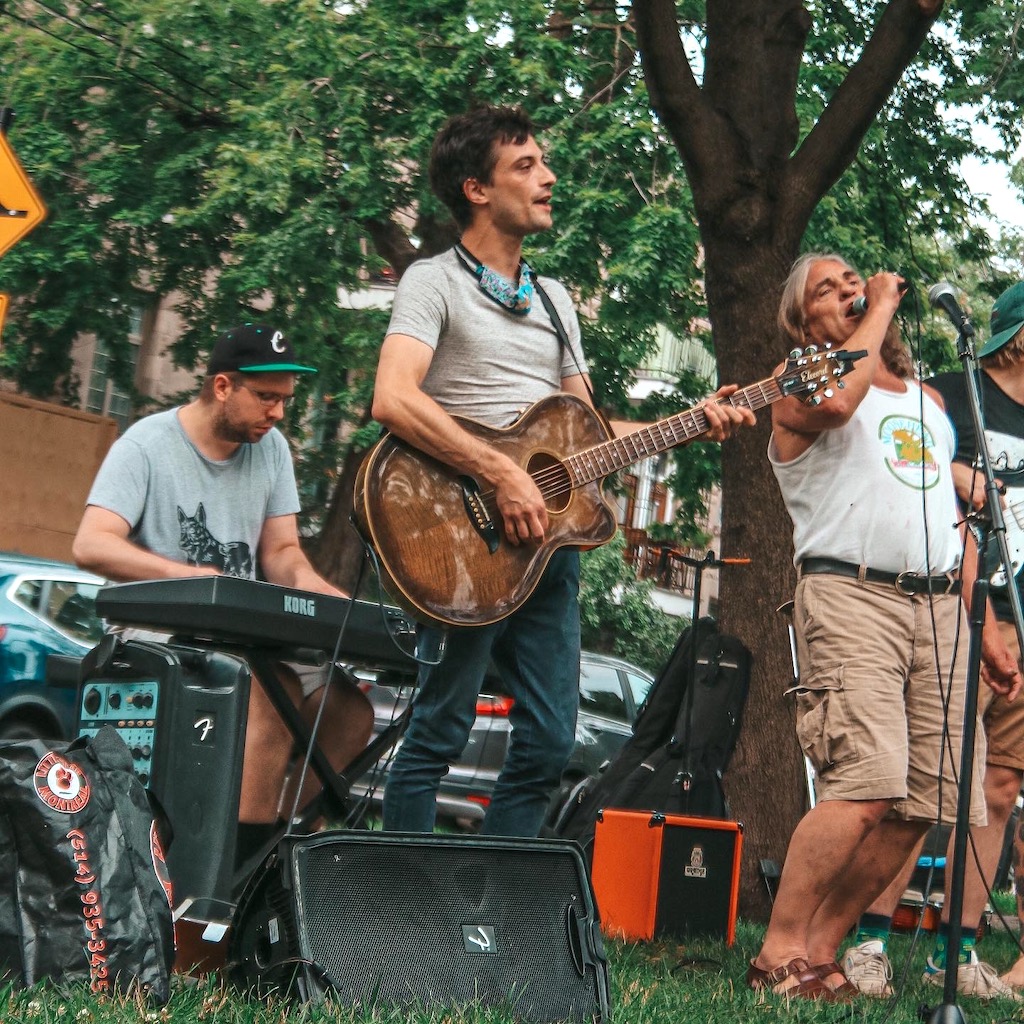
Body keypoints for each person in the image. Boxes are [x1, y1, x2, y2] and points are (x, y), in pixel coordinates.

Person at [369, 104, 754, 838]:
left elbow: (592, 437)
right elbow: (392, 397)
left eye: (544, 164)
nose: (548, 178)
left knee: (549, 741)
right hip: (461, 539)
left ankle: (499, 902)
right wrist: (497, 472)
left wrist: (695, 420)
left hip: (548, 552)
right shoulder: (433, 282)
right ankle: (404, 904)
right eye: (526, 166)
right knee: (438, 734)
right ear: (476, 189)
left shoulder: (554, 302)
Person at [748, 252, 1021, 1002]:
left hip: (940, 607)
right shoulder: (799, 380)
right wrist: (879, 307)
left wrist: (988, 625)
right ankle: (777, 951)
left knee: (930, 801)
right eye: (826, 291)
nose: (847, 290)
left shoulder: (929, 404)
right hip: (852, 596)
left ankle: (822, 952)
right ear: (803, 323)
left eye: (852, 281)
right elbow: (837, 405)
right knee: (864, 784)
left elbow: (950, 518)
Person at [72, 322, 374, 857]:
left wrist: (333, 602)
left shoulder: (272, 450)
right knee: (263, 693)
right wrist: (190, 578)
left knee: (349, 711)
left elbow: (282, 555)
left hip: (239, 634)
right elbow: (92, 544)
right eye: (266, 398)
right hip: (156, 631)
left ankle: (276, 845)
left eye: (284, 400)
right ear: (221, 387)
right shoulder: (145, 444)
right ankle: (229, 878)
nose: (278, 413)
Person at [839, 280, 1024, 1001]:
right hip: (960, 605)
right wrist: (957, 474)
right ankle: (870, 940)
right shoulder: (952, 391)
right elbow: (903, 460)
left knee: (1000, 787)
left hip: (1023, 612)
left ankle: (962, 951)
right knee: (925, 783)